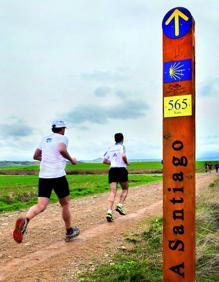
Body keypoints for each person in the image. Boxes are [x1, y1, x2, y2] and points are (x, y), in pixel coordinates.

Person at [13, 120, 80, 243]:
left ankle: (26, 220)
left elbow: (36, 156)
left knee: (41, 205)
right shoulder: (62, 138)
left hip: (44, 176)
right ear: (62, 129)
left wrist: (50, 159)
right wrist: (71, 160)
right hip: (58, 176)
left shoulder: (45, 139)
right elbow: (61, 149)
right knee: (65, 204)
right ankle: (69, 231)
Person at [103, 133, 129, 222]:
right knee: (125, 189)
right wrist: (126, 162)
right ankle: (120, 205)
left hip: (112, 170)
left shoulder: (110, 148)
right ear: (122, 139)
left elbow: (104, 160)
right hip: (121, 169)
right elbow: (123, 156)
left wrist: (112, 163)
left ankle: (109, 211)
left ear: (115, 139)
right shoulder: (122, 146)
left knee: (112, 192)